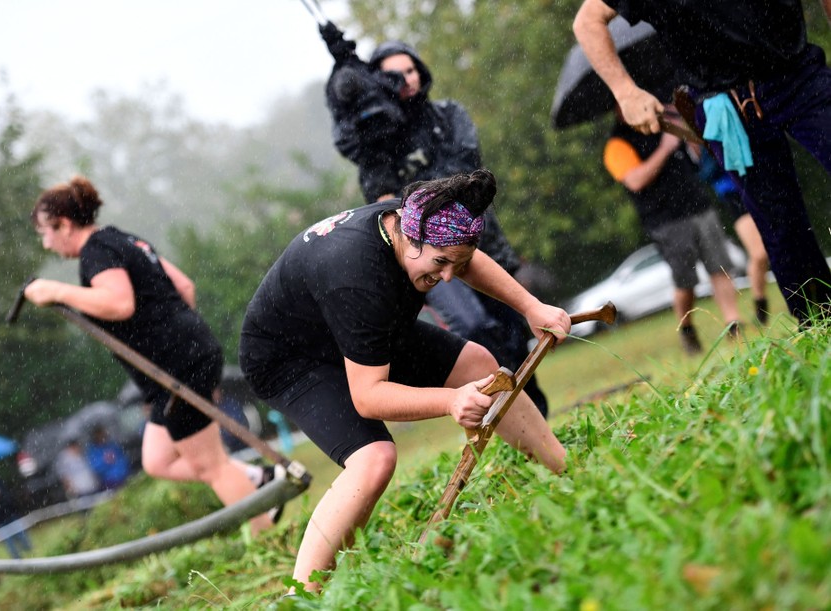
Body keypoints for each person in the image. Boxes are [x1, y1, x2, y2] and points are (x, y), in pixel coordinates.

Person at [239, 170, 569, 593]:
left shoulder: (412, 221)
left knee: (478, 364)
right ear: (409, 239)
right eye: (439, 264)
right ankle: (301, 595)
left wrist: (531, 307)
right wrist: (451, 401)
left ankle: (563, 470)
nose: (449, 277)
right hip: (290, 358)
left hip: (354, 326)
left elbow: (463, 259)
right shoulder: (355, 277)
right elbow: (368, 397)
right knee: (374, 459)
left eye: (458, 263)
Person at [23, 176, 273, 532]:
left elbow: (119, 303)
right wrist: (187, 343)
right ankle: (253, 476)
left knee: (210, 466)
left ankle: (269, 540)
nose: (45, 243)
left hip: (174, 369)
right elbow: (184, 285)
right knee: (157, 461)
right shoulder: (122, 239)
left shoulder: (97, 251)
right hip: (185, 358)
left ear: (63, 225)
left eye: (45, 233)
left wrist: (56, 291)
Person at [322, 25, 551, 415]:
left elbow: (465, 174)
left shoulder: (448, 115)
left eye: (410, 70)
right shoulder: (377, 142)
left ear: (421, 71)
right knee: (474, 328)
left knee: (510, 334)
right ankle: (495, 416)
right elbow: (385, 202)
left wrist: (419, 191)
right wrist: (347, 77)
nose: (406, 79)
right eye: (393, 75)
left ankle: (535, 416)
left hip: (482, 245)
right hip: (430, 258)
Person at [573, 0, 831, 324]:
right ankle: (821, 323)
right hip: (726, 109)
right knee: (780, 227)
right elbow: (588, 20)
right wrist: (625, 91)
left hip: (798, 75)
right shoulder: (619, 144)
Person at [604, 106, 743, 353]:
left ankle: (733, 325)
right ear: (618, 109)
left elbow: (699, 154)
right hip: (666, 221)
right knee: (685, 281)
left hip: (699, 206)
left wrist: (679, 123)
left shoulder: (664, 124)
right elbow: (635, 180)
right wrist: (664, 149)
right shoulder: (616, 144)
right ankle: (687, 328)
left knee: (720, 267)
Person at [693, 145, 772, 325]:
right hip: (733, 192)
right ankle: (760, 306)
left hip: (760, 179)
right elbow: (706, 172)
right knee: (759, 254)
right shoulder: (707, 129)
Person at [85, 425, 131, 490]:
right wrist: (106, 461)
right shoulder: (93, 451)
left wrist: (126, 467)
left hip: (125, 476)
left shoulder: (111, 444)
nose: (103, 436)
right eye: (100, 434)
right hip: (111, 481)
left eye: (103, 433)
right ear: (95, 436)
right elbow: (95, 468)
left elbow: (122, 456)